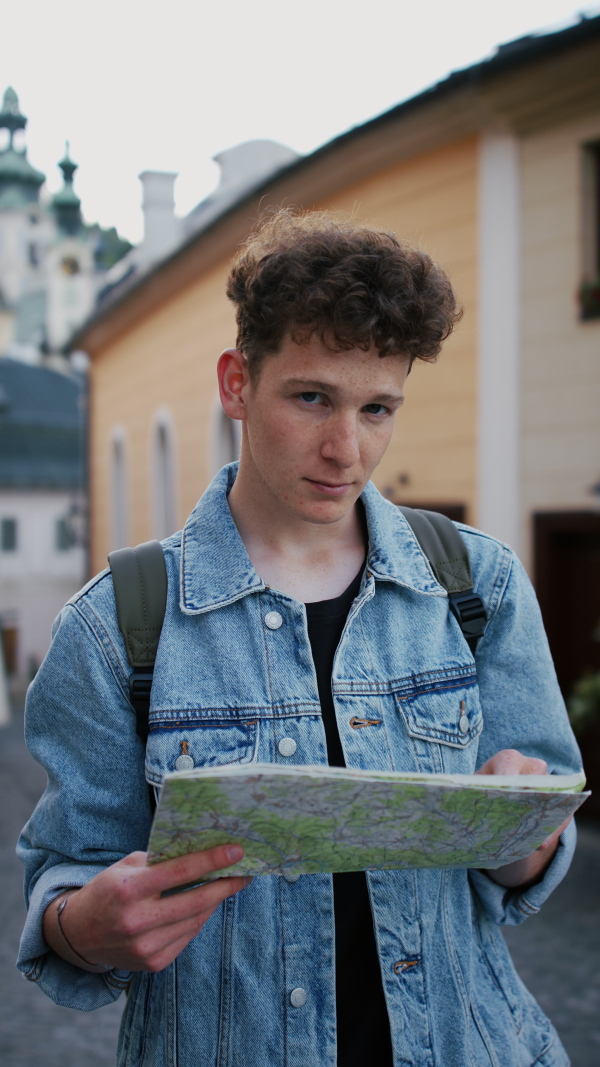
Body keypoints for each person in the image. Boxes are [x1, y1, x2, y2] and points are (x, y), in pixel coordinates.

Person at [18, 210, 581, 1067]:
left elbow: (528, 862)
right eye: (312, 396)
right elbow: (63, 887)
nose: (346, 448)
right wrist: (86, 924)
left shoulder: (476, 586)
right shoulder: (115, 627)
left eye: (378, 407)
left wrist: (525, 836)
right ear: (236, 382)